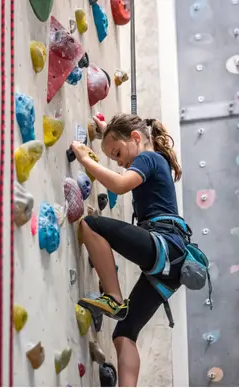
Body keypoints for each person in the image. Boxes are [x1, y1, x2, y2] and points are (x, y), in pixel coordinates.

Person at [70, 113, 190, 387]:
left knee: (90, 225)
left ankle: (113, 296)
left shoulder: (147, 158)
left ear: (136, 138)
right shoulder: (150, 157)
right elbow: (124, 143)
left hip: (167, 247)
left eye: (118, 154)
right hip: (171, 267)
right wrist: (106, 131)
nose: (119, 162)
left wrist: (85, 159)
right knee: (124, 333)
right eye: (114, 158)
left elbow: (121, 185)